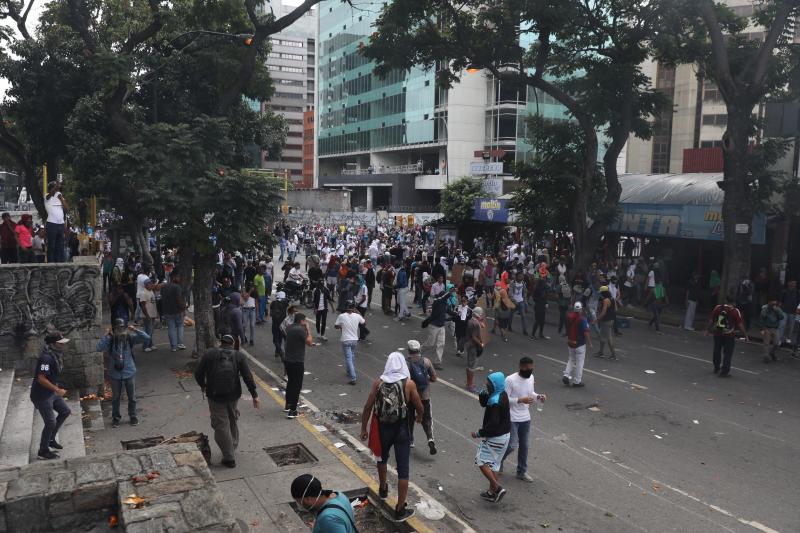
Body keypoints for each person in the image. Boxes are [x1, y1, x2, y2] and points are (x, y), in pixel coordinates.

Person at [359, 353, 423, 522]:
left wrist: (364, 428)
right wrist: (419, 416)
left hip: (382, 428)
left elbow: (367, 406)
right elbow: (419, 406)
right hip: (401, 429)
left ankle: (383, 489)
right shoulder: (408, 384)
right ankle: (400, 509)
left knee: (382, 458)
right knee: (403, 470)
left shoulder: (378, 383)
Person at [194, 335, 260, 468]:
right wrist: (255, 395)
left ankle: (229, 458)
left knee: (221, 424)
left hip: (215, 395)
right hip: (233, 395)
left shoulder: (209, 354)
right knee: (232, 418)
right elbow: (247, 377)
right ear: (233, 343)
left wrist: (203, 385)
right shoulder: (239, 356)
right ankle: (232, 445)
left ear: (220, 342)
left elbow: (198, 373)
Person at [97, 319, 150, 428]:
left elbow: (147, 338)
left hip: (129, 371)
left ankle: (133, 416)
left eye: (122, 328)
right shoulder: (110, 339)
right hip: (115, 373)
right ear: (114, 329)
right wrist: (107, 335)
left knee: (132, 397)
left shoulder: (130, 338)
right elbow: (99, 348)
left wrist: (135, 330)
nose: (120, 330)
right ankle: (116, 418)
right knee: (116, 397)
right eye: (118, 328)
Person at [501, 357, 546, 482]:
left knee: (524, 445)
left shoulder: (531, 378)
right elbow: (504, 399)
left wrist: (539, 397)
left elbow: (530, 394)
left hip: (525, 417)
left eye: (531, 368)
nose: (529, 371)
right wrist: (520, 400)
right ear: (521, 367)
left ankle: (521, 471)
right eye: (527, 368)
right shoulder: (510, 380)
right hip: (511, 417)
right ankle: (498, 460)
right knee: (512, 445)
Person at [469, 371, 511, 503]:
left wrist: (479, 433)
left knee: (481, 461)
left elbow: (493, 423)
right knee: (494, 464)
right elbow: (484, 403)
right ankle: (492, 493)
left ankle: (497, 488)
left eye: (489, 385)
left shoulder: (495, 401)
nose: (487, 386)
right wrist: (483, 395)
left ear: (495, 385)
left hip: (495, 438)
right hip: (505, 436)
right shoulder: (502, 394)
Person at [30, 331, 72, 460]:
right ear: (53, 344)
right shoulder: (46, 358)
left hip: (51, 393)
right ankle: (43, 450)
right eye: (60, 343)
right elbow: (41, 379)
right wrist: (57, 389)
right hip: (41, 396)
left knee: (65, 411)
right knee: (50, 422)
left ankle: (51, 439)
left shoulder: (56, 355)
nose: (63, 345)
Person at [290, 474, 357, 533]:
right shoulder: (340, 495)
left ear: (308, 499)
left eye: (299, 501)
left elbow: (332, 523)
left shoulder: (328, 519)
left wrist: (326, 525)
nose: (299, 504)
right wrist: (318, 527)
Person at [406, 340, 437, 455]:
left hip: (410, 397)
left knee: (409, 418)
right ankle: (430, 439)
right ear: (419, 349)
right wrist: (426, 378)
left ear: (409, 350)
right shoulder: (426, 361)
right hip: (425, 396)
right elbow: (434, 378)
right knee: (427, 418)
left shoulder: (406, 363)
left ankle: (410, 440)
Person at [706, 295, 748, 377]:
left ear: (725, 300)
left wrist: (708, 330)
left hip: (718, 333)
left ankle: (716, 367)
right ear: (734, 302)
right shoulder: (735, 311)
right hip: (729, 335)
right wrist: (745, 335)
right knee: (728, 353)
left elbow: (711, 320)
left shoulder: (718, 308)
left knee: (717, 350)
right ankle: (724, 371)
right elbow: (740, 325)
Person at [284, 313, 313, 419]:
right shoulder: (300, 330)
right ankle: (293, 411)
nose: (306, 322)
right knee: (297, 386)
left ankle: (288, 405)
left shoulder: (289, 327)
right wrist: (308, 330)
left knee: (290, 382)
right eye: (305, 321)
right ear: (302, 321)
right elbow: (309, 342)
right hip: (297, 361)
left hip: (288, 360)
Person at [334, 300, 365, 385]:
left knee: (348, 358)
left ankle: (353, 377)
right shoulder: (357, 316)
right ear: (353, 307)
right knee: (352, 356)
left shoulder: (342, 316)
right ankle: (349, 371)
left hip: (346, 340)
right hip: (354, 340)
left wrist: (341, 326)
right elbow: (364, 322)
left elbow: (336, 326)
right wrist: (358, 312)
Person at [563, 302, 591, 387]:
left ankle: (566, 375)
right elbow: (586, 332)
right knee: (579, 363)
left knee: (571, 359)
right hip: (580, 344)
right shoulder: (582, 319)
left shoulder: (569, 316)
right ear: (581, 309)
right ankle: (577, 381)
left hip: (570, 342)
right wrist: (589, 343)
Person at [422, 287, 451, 369]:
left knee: (441, 344)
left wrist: (456, 314)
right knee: (430, 344)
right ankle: (417, 352)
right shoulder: (436, 302)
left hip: (441, 327)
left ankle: (437, 362)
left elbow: (449, 311)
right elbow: (430, 314)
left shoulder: (444, 303)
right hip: (434, 326)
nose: (447, 299)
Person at [160, 272, 187, 352]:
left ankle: (173, 346)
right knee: (180, 326)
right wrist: (183, 308)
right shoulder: (177, 287)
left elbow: (162, 298)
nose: (179, 278)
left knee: (171, 328)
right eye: (178, 277)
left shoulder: (164, 287)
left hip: (167, 311)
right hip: (177, 310)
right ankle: (180, 343)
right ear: (174, 277)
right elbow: (179, 299)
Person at [45, 181, 68, 263]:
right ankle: (51, 263)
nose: (58, 189)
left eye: (58, 188)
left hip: (60, 224)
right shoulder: (47, 196)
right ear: (51, 188)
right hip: (52, 224)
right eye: (55, 187)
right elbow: (49, 195)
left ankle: (59, 262)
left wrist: (61, 199)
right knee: (52, 245)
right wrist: (56, 186)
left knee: (60, 245)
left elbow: (66, 209)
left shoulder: (60, 197)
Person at [465, 307, 485, 393]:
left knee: (470, 365)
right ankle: (470, 385)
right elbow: (474, 337)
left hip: (469, 345)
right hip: (473, 346)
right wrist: (481, 345)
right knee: (471, 367)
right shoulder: (476, 324)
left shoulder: (470, 321)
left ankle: (469, 383)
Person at [595, 286, 617, 360]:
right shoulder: (612, 298)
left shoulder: (605, 300)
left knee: (608, 338)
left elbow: (603, 312)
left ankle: (613, 355)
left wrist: (596, 320)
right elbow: (615, 309)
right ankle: (601, 352)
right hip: (610, 320)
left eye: (601, 293)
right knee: (602, 336)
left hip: (606, 320)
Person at [139, 280, 158, 352]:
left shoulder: (151, 291)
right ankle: (145, 346)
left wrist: (156, 313)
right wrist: (147, 315)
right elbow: (143, 306)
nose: (151, 285)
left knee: (151, 330)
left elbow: (153, 303)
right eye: (149, 284)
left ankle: (150, 344)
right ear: (146, 285)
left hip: (152, 314)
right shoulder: (143, 293)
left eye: (151, 284)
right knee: (148, 331)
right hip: (147, 315)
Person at [508, 271, 529, 336]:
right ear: (516, 277)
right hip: (514, 302)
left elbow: (525, 291)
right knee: (511, 315)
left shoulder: (523, 283)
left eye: (522, 276)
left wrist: (524, 299)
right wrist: (514, 300)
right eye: (520, 276)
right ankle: (509, 326)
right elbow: (510, 293)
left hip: (521, 301)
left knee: (523, 316)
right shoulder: (512, 283)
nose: (521, 278)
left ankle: (525, 331)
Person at [270, 292, 289, 358]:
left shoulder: (273, 303)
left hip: (275, 323)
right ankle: (277, 351)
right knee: (280, 337)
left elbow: (271, 314)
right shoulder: (285, 303)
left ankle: (279, 351)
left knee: (275, 339)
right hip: (283, 323)